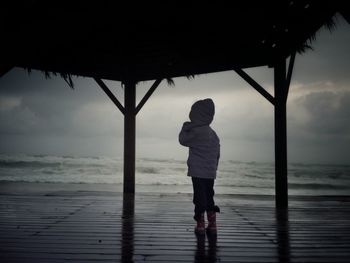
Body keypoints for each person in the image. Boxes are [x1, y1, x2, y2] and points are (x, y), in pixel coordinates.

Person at [179, 98, 220, 235]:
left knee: (199, 197)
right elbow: (217, 154)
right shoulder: (213, 134)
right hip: (210, 172)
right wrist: (214, 168)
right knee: (209, 195)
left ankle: (200, 224)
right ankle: (212, 225)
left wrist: (186, 126)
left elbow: (182, 140)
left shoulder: (196, 132)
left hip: (197, 172)